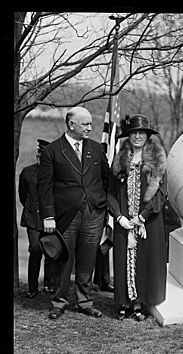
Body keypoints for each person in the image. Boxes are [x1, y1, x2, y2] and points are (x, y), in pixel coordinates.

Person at [37, 106, 110, 320]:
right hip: (65, 216)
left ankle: (84, 302)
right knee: (63, 261)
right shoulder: (52, 151)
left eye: (90, 123)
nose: (90, 127)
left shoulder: (96, 149)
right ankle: (59, 302)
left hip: (93, 214)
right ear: (71, 125)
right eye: (85, 124)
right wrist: (48, 216)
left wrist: (102, 205)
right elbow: (45, 188)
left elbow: (106, 180)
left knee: (87, 259)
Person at [107, 114, 168, 321]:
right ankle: (124, 301)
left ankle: (140, 302)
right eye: (133, 133)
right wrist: (118, 216)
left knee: (144, 260)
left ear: (148, 135)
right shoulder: (119, 160)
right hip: (124, 220)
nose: (137, 136)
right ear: (128, 135)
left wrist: (142, 216)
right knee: (123, 258)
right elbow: (111, 193)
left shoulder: (157, 159)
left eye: (141, 132)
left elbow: (161, 193)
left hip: (147, 221)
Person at [18, 139, 54, 298]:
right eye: (39, 153)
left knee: (50, 250)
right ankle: (32, 288)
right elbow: (22, 195)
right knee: (35, 248)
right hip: (32, 217)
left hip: (50, 218)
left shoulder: (56, 174)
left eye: (44, 155)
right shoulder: (27, 172)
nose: (40, 157)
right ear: (37, 154)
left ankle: (49, 283)